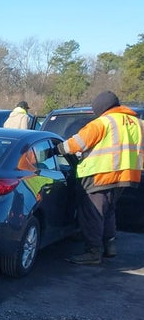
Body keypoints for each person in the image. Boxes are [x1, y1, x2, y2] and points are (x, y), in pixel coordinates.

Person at [56, 91, 144, 264]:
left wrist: (58, 149)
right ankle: (110, 246)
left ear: (101, 107)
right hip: (127, 175)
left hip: (100, 174)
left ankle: (93, 252)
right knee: (108, 211)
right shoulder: (138, 123)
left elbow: (76, 144)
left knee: (92, 213)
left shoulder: (102, 123)